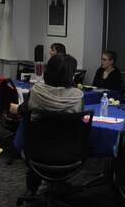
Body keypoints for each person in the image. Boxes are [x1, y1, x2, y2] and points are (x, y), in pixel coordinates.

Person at [9, 53, 83, 196]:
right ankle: (58, 185)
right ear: (71, 75)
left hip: (36, 152)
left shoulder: (37, 92)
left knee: (28, 119)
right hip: (70, 154)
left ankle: (31, 189)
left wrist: (15, 108)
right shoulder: (78, 96)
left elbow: (22, 111)